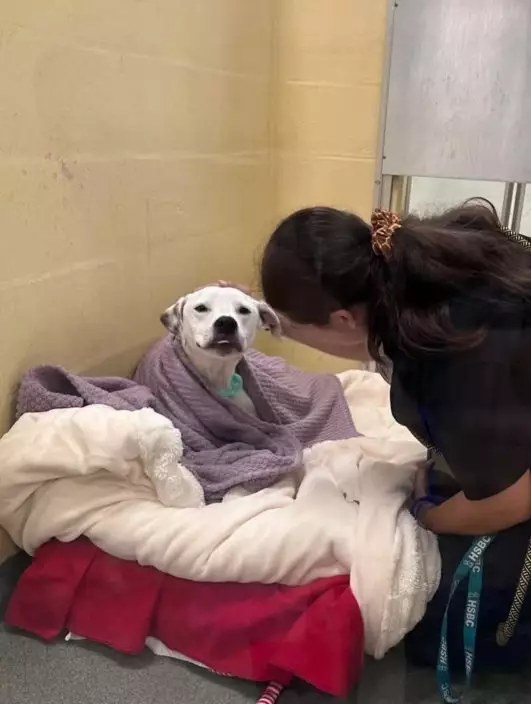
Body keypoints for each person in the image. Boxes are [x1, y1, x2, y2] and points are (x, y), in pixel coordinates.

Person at [246, 200, 531, 673]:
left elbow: (516, 498)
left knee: (431, 617)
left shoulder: (451, 354)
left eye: (286, 329)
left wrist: (431, 516)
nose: (283, 335)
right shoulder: (429, 266)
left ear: (343, 320)